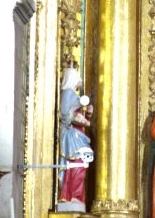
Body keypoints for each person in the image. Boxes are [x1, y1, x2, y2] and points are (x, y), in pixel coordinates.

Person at [56, 68, 93, 213]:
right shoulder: (68, 94)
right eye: (78, 79)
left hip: (78, 137)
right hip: (71, 138)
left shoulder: (73, 96)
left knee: (80, 166)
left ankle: (75, 196)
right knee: (76, 166)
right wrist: (82, 114)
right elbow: (66, 116)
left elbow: (80, 117)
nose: (80, 83)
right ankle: (71, 195)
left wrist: (87, 113)